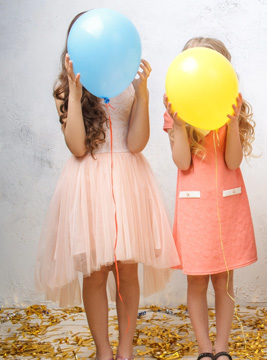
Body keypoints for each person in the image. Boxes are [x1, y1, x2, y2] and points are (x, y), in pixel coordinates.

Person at [36, 11, 180, 360]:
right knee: (96, 274)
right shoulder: (65, 89)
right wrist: (73, 89)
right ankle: (104, 349)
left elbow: (137, 143)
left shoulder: (126, 81)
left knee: (128, 271)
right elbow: (78, 147)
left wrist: (142, 93)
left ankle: (126, 348)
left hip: (129, 179)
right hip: (89, 183)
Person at [163, 37, 258, 360]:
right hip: (194, 211)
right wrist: (178, 126)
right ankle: (204, 349)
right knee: (197, 283)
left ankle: (221, 348)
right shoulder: (178, 112)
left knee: (224, 281)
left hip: (227, 206)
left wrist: (231, 124)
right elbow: (182, 163)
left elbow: (232, 162)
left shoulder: (232, 107)